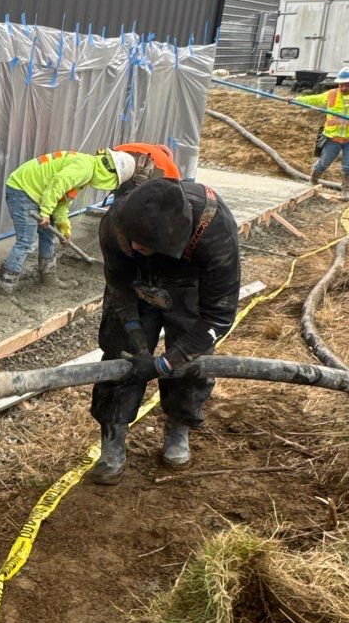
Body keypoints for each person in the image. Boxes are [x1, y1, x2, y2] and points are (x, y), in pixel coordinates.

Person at [89, 173, 241, 483]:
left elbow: (218, 317)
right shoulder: (116, 221)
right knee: (121, 352)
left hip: (189, 284)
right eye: (130, 240)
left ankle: (177, 427)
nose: (132, 245)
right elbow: (118, 283)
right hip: (136, 282)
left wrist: (164, 363)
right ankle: (113, 436)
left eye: (143, 246)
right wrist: (133, 331)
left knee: (190, 359)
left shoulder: (215, 233)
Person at [0, 149, 136, 293]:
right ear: (110, 174)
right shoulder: (85, 167)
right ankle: (5, 286)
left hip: (40, 192)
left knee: (48, 236)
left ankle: (48, 278)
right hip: (22, 189)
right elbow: (58, 183)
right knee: (26, 241)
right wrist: (45, 212)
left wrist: (64, 228)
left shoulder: (87, 170)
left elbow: (62, 203)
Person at [298, 70, 349, 191]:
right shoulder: (332, 93)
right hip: (332, 136)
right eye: (341, 84)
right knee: (323, 162)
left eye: (347, 84)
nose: (343, 88)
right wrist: (296, 99)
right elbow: (315, 99)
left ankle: (345, 191)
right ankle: (312, 182)